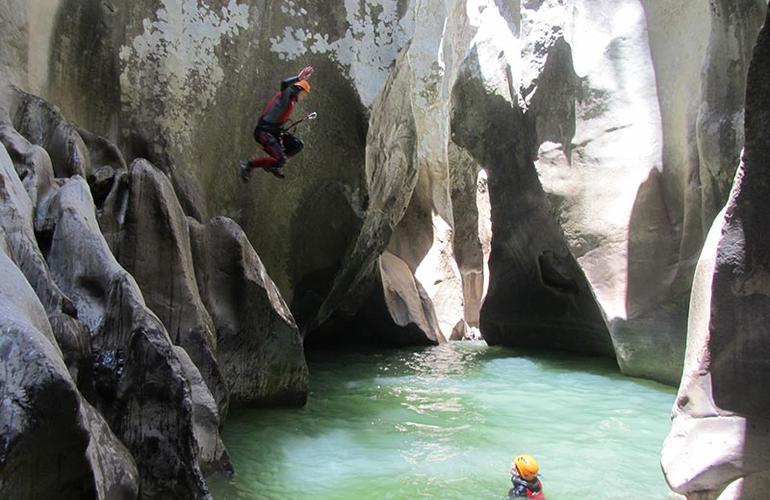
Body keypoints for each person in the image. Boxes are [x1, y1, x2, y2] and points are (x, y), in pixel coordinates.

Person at [238, 65, 314, 182]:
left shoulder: (292, 101)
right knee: (280, 159)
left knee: (297, 145)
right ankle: (248, 165)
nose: (304, 97)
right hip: (264, 133)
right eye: (304, 93)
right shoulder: (286, 97)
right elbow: (284, 84)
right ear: (299, 90)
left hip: (274, 133)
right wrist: (299, 78)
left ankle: (275, 165)